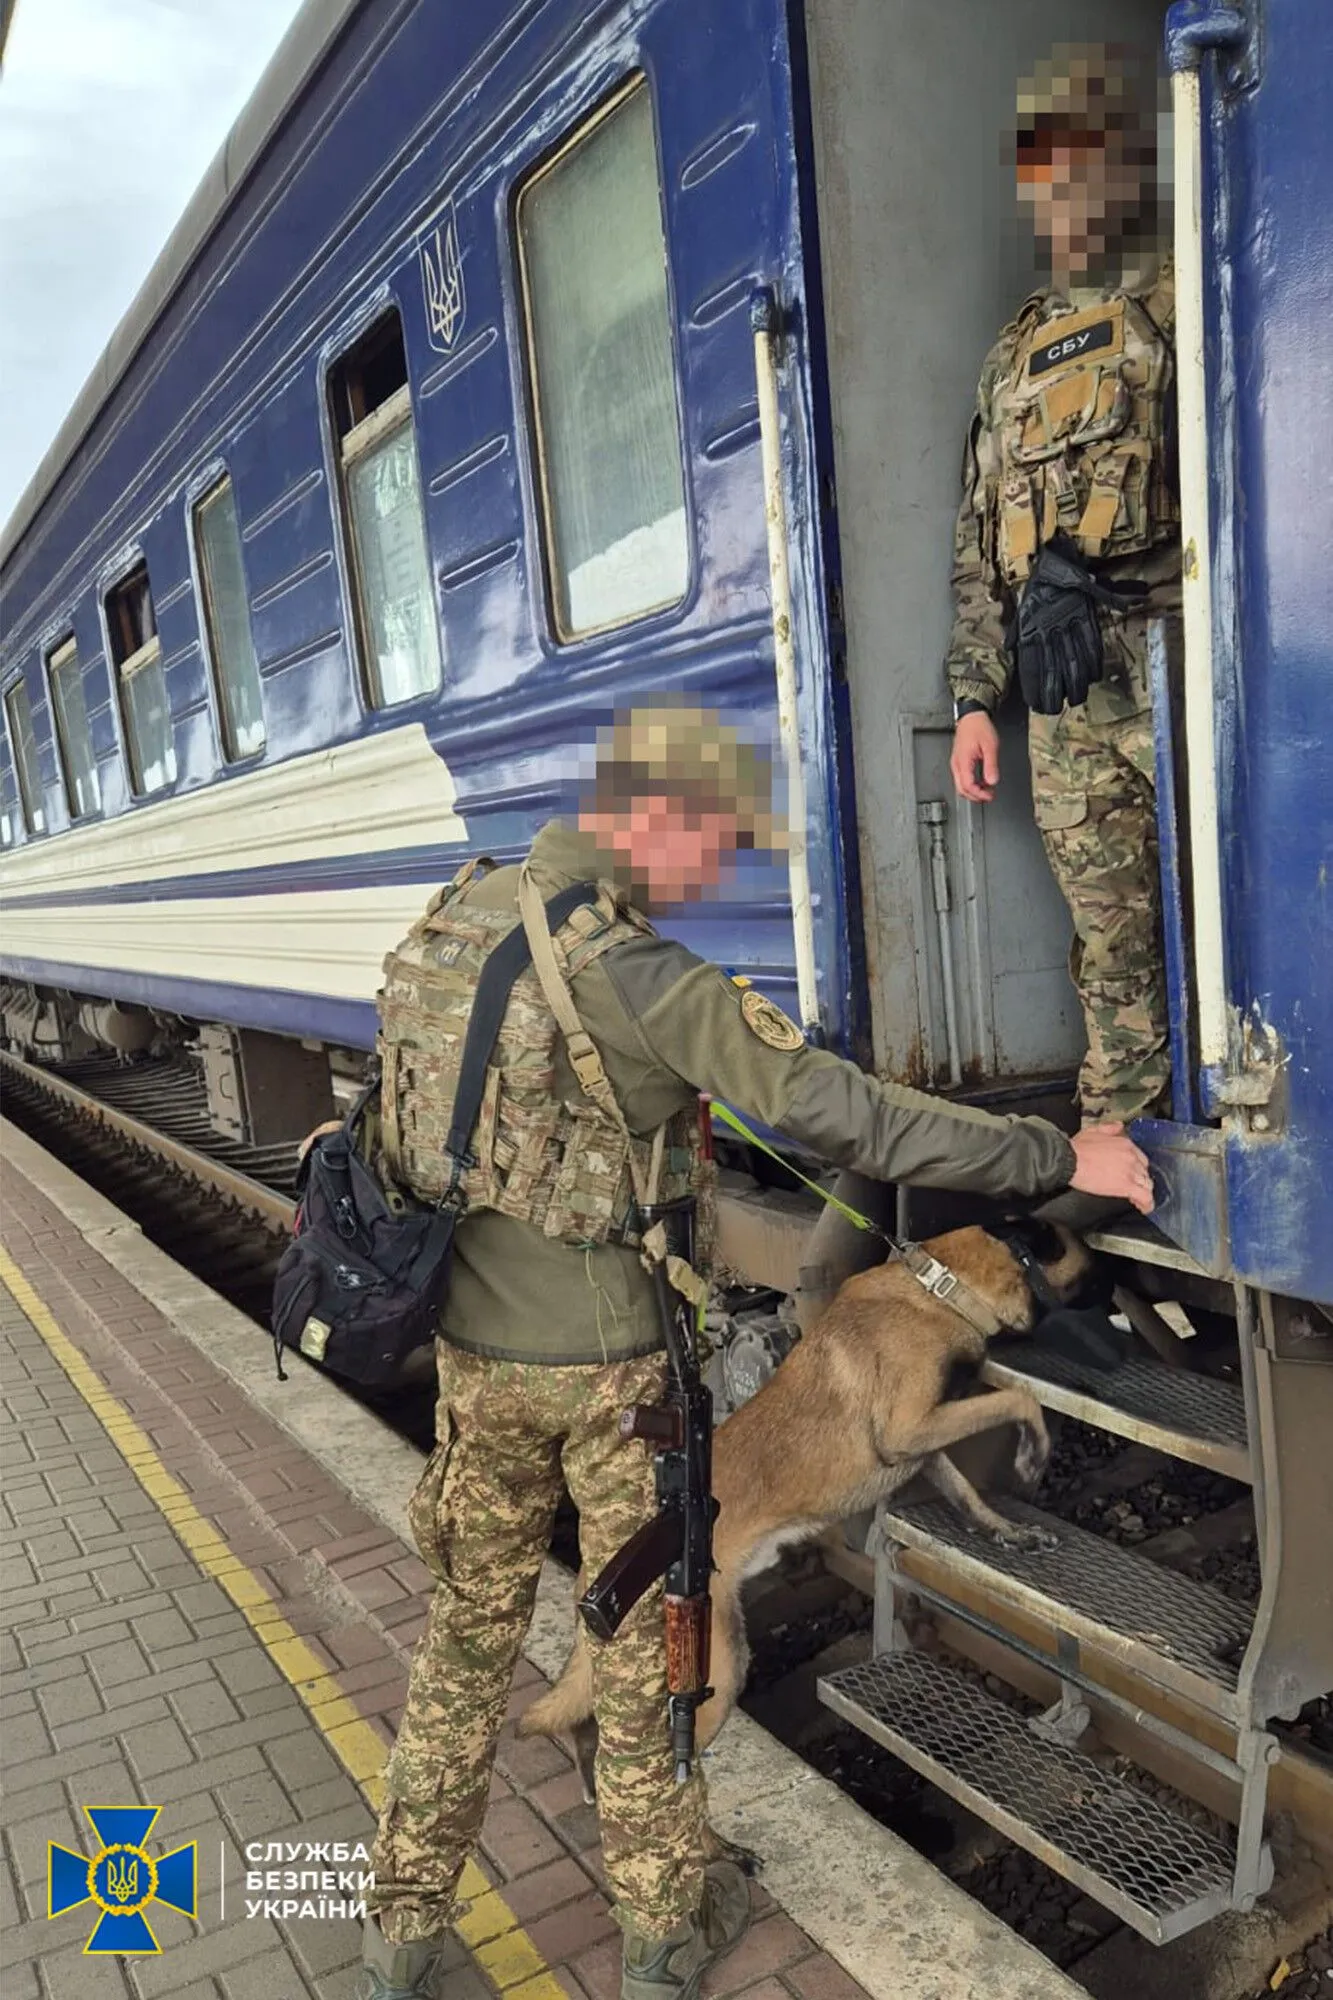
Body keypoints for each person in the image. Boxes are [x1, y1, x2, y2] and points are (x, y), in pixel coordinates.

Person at [355, 701, 1153, 2000]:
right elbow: (848, 1116)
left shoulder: (455, 919)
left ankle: (400, 1932)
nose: (708, 878)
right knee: (646, 1651)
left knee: (463, 1637)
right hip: (612, 1385)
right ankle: (668, 1931)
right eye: (710, 846)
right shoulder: (635, 975)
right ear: (650, 817)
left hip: (472, 1362)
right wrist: (1060, 1155)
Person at [948, 43, 1180, 1123]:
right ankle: (1124, 1126)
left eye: (1079, 165)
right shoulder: (1015, 354)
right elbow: (977, 538)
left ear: (1123, 169)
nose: (1059, 195)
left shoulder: (1185, 295)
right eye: (1041, 174)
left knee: (1237, 905)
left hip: (1174, 655)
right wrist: (970, 704)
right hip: (1062, 693)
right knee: (1107, 924)